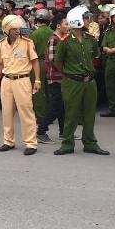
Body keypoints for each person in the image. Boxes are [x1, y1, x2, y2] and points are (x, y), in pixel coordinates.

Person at [53, 6, 109, 156]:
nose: (89, 20)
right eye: (86, 18)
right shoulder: (65, 41)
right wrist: (69, 74)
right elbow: (58, 62)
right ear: (77, 20)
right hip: (72, 82)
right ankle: (67, 144)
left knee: (90, 114)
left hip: (89, 82)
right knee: (71, 114)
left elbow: (94, 57)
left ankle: (90, 143)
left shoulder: (90, 39)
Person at [0, 15, 40, 156]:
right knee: (6, 113)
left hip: (22, 80)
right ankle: (8, 141)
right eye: (14, 29)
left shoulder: (27, 42)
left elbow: (35, 61)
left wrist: (37, 80)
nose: (17, 31)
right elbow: (0, 64)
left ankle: (31, 143)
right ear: (6, 30)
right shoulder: (1, 44)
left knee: (26, 112)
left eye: (18, 29)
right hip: (7, 80)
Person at [37, 14, 69, 144]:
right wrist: (66, 72)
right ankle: (41, 132)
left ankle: (64, 132)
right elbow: (53, 60)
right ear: (58, 26)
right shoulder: (54, 39)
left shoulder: (61, 38)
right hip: (55, 78)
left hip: (61, 77)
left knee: (61, 106)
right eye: (66, 24)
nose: (68, 26)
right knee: (55, 107)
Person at [29, 9, 53, 123]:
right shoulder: (53, 32)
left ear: (37, 20)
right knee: (51, 91)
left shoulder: (34, 34)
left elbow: (30, 52)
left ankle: (40, 115)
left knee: (38, 90)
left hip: (38, 63)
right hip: (51, 64)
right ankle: (50, 115)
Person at [100, 6, 115, 117]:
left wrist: (112, 50)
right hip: (110, 61)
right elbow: (104, 45)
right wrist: (107, 49)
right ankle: (113, 109)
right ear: (112, 18)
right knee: (110, 85)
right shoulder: (109, 30)